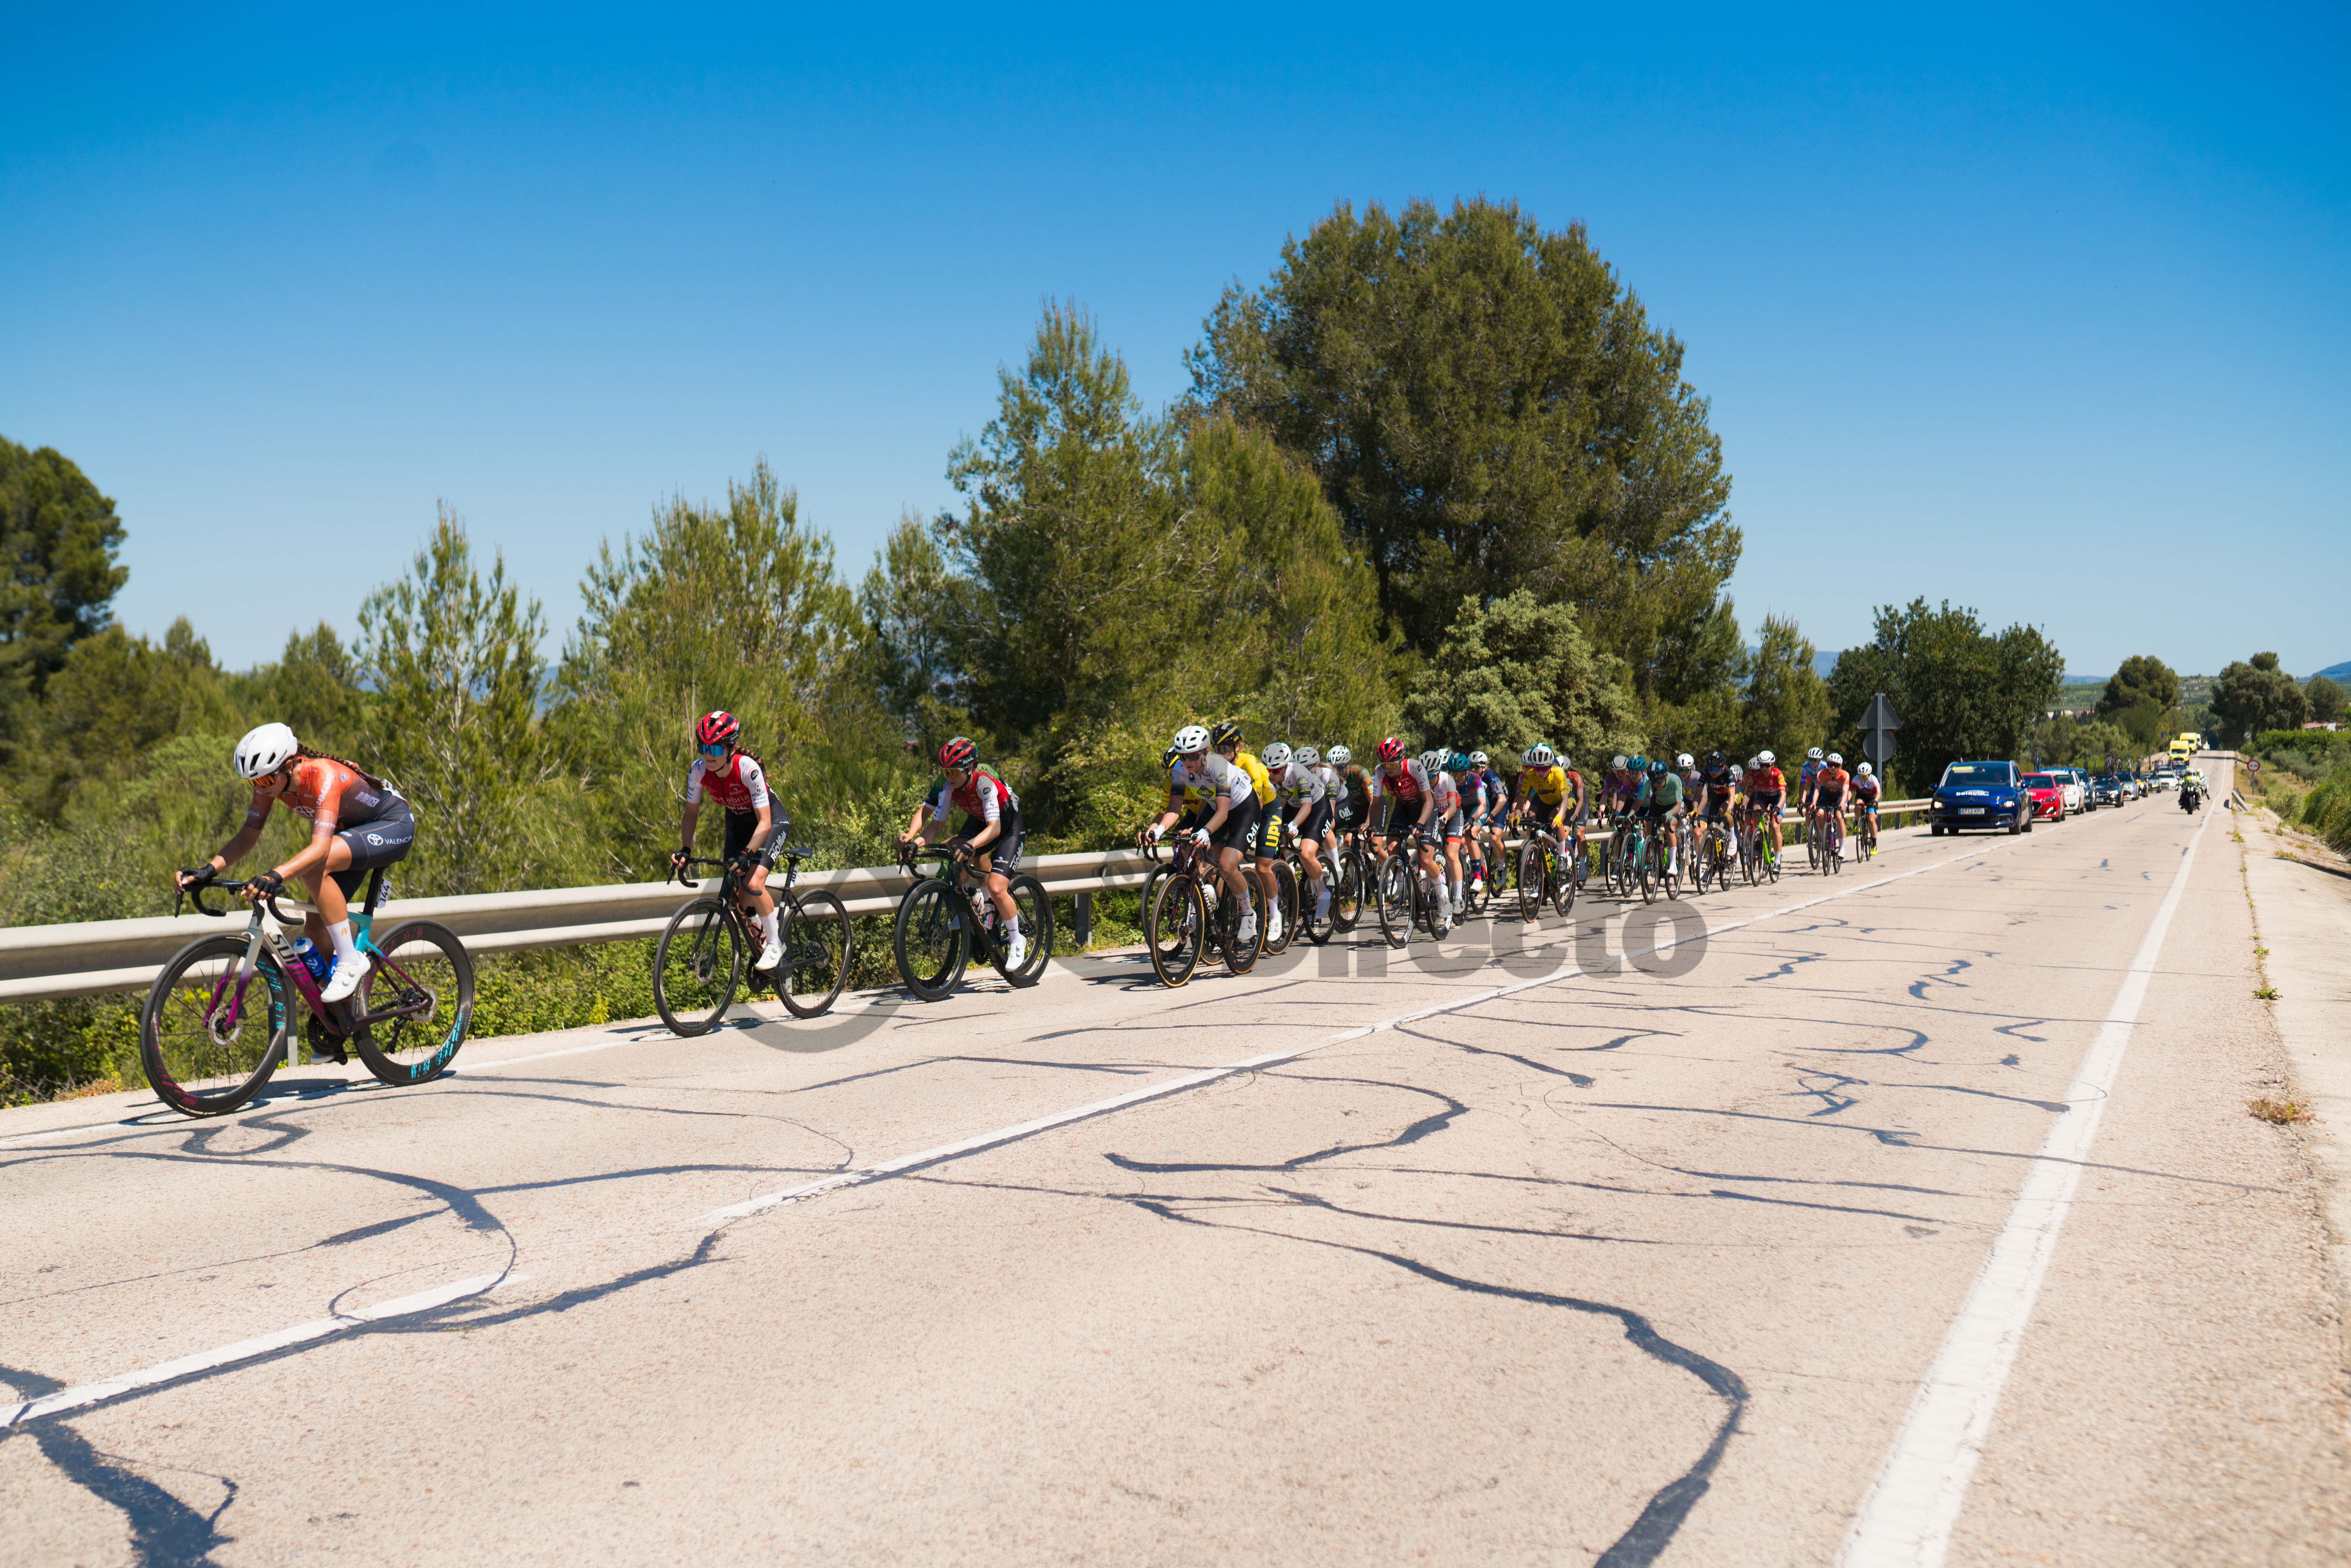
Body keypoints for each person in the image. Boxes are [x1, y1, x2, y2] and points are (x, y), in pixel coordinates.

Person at [178, 722, 418, 1013]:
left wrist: (274, 875)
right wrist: (210, 869)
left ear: (289, 765)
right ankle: (341, 1024)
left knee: (314, 868)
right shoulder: (271, 783)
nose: (260, 789)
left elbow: (320, 849)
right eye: (253, 783)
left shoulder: (323, 775)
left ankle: (351, 961)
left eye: (265, 782)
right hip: (350, 836)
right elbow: (248, 835)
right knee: (316, 930)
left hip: (393, 825)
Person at [901, 736, 1027, 969]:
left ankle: (1017, 939)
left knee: (998, 888)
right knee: (953, 849)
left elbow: (995, 829)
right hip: (981, 822)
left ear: (970, 769)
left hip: (1008, 828)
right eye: (945, 772)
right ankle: (976, 901)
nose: (949, 778)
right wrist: (915, 844)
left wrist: (972, 845)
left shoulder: (985, 783)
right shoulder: (948, 785)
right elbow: (936, 826)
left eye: (954, 773)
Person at [675, 711, 788, 972]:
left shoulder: (748, 769)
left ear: (731, 748)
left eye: (715, 748)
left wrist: (748, 853)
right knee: (737, 894)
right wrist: (685, 849)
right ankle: (761, 936)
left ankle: (775, 943)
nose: (709, 754)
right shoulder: (699, 770)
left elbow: (765, 823)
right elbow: (691, 813)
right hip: (738, 823)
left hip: (769, 822)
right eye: (704, 747)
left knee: (753, 882)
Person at [1145, 724, 1262, 948]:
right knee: (1188, 850)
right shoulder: (1180, 770)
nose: (1187, 761)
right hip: (1214, 806)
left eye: (1193, 755)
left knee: (1227, 866)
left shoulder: (1218, 767)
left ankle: (1248, 912)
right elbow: (1173, 810)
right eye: (1182, 756)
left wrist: (1206, 832)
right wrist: (1158, 830)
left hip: (1244, 808)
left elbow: (1224, 813)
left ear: (1205, 752)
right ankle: (1203, 898)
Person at [1214, 721, 1285, 946]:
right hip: (1235, 811)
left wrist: (1243, 839)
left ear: (1238, 747)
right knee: (1220, 862)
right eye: (1217, 749)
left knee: (1263, 866)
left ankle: (1275, 914)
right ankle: (1232, 914)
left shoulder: (1251, 764)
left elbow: (1258, 806)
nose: (1221, 753)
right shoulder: (1216, 766)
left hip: (1267, 810)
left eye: (1226, 748)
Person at [1368, 737, 1445, 932]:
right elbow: (1376, 803)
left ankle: (1443, 893)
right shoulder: (1379, 773)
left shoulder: (1415, 767)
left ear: (1401, 760)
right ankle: (1405, 887)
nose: (1389, 769)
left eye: (1393, 764)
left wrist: (1420, 823)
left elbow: (1429, 801)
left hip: (1425, 809)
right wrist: (1371, 826)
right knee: (1392, 848)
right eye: (1385, 765)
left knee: (1426, 860)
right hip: (1403, 807)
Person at [1269, 742, 1334, 921]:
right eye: (1269, 769)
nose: (1270, 774)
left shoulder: (1298, 773)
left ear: (1285, 767)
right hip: (1293, 806)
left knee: (1306, 854)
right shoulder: (1270, 779)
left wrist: (1295, 825)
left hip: (1317, 807)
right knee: (1275, 845)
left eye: (1275, 770)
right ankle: (1290, 884)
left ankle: (1322, 892)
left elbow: (1307, 806)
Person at [1643, 756, 1687, 874]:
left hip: (1673, 806)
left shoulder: (1675, 780)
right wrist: (1632, 813)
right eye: (1654, 782)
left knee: (1669, 826)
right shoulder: (1649, 782)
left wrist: (1670, 813)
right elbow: (1638, 802)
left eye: (1659, 781)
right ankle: (1654, 859)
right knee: (1648, 829)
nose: (1657, 784)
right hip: (1658, 806)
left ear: (1666, 776)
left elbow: (1679, 805)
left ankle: (1673, 864)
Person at [1748, 750, 1787, 863]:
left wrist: (1778, 808)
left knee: (1775, 827)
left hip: (1777, 798)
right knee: (1755, 811)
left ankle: (1778, 860)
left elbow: (1783, 795)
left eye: (1767, 766)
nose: (1764, 768)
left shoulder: (1778, 774)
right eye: (1762, 766)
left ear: (1773, 765)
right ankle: (1759, 839)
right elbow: (1748, 793)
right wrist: (1744, 806)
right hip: (1764, 796)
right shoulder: (1755, 775)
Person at [1811, 752, 1851, 856]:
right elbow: (1817, 789)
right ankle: (1823, 836)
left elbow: (1846, 791)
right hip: (1827, 796)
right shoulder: (1822, 774)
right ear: (1828, 765)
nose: (1833, 768)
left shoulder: (1845, 775)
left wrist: (1843, 804)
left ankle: (1842, 848)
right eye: (1831, 765)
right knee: (1819, 814)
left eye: (1836, 765)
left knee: (1839, 817)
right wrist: (1814, 803)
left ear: (1840, 767)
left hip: (1839, 797)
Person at [1852, 761, 1882, 854]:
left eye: (1866, 776)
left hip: (1872, 799)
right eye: (1862, 776)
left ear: (1870, 775)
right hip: (1862, 797)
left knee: (1872, 820)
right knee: (1858, 804)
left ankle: (1874, 845)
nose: (1864, 779)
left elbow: (1879, 793)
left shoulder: (1874, 780)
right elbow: (1850, 790)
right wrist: (1848, 801)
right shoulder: (1856, 779)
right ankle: (1857, 823)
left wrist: (1876, 801)